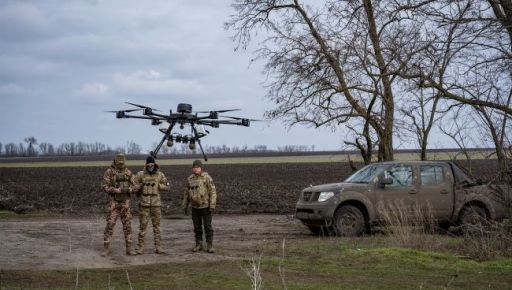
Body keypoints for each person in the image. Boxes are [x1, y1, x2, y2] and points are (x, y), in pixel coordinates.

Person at [101, 153, 137, 256]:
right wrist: (115, 190)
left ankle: (129, 249)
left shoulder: (128, 172)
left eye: (122, 163)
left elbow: (136, 186)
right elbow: (104, 186)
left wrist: (130, 189)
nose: (120, 164)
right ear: (115, 161)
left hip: (125, 204)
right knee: (110, 225)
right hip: (114, 203)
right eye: (119, 163)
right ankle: (106, 249)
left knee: (127, 226)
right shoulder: (109, 172)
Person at [135, 156, 170, 254]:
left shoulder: (160, 175)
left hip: (156, 205)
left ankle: (158, 247)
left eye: (152, 164)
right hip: (144, 205)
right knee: (142, 227)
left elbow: (168, 187)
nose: (150, 166)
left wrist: (159, 186)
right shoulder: (140, 174)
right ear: (146, 164)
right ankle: (140, 247)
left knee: (157, 227)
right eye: (148, 164)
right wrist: (139, 187)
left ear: (154, 164)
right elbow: (133, 186)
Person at [182, 159, 217, 253]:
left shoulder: (207, 178)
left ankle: (210, 245)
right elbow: (186, 194)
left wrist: (212, 205)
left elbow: (213, 192)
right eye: (194, 167)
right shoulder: (190, 179)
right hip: (195, 208)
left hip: (205, 206)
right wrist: (185, 206)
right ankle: (199, 244)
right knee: (197, 227)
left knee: (207, 227)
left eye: (197, 167)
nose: (196, 169)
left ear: (201, 168)